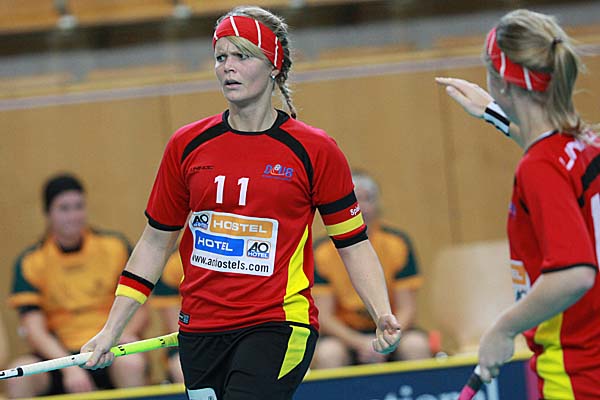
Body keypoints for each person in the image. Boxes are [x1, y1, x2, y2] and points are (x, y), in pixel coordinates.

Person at [81, 5, 401, 400]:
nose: (227, 67)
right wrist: (111, 329)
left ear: (274, 66)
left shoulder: (315, 149)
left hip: (278, 324)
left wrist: (381, 312)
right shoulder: (187, 145)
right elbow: (154, 243)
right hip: (199, 330)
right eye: (221, 57)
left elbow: (352, 243)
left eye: (242, 56)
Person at [436, 9, 600, 399]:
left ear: (501, 82)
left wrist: (503, 329)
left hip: (576, 372)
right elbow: (548, 151)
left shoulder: (539, 168)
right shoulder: (586, 144)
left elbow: (575, 273)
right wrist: (492, 113)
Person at [6, 174, 149, 398]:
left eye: (79, 206)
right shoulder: (30, 262)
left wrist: (124, 334)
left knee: (132, 363)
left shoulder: (115, 247)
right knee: (18, 377)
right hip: (58, 356)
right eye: (64, 208)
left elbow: (139, 307)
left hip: (108, 346)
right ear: (48, 213)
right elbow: (34, 330)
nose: (73, 216)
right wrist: (70, 368)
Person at [312, 170, 432, 368]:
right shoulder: (321, 251)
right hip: (344, 335)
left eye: (367, 199)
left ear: (378, 204)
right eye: (355, 200)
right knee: (328, 354)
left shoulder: (397, 243)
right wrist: (361, 343)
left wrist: (389, 337)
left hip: (390, 328)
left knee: (416, 346)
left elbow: (407, 308)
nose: (361, 207)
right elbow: (324, 316)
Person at [149, 251, 185, 384]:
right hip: (192, 341)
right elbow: (178, 328)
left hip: (238, 336)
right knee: (181, 367)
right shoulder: (175, 264)